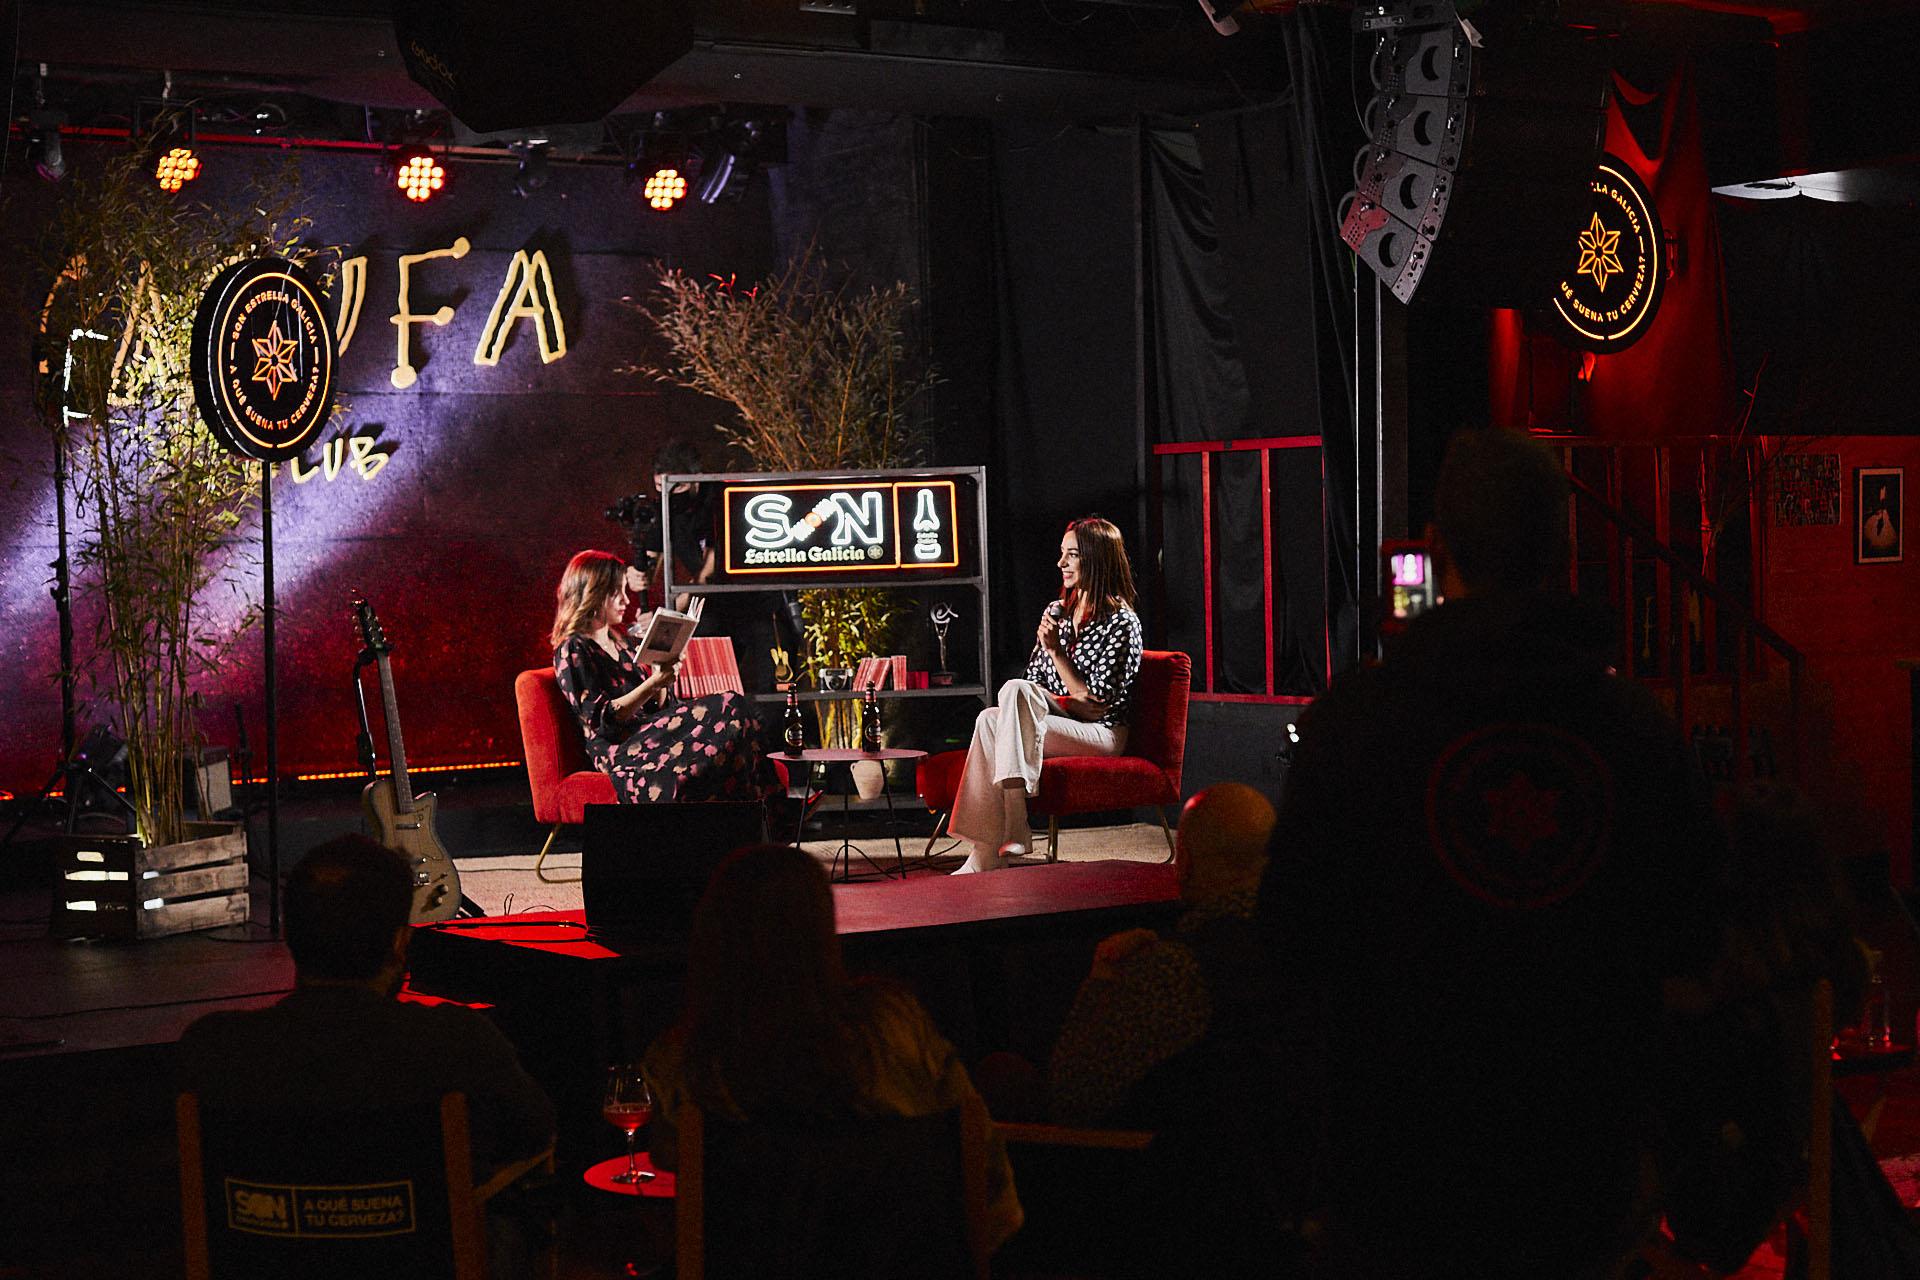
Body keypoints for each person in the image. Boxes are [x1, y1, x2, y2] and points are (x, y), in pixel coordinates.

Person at [1257, 427, 1736, 1279]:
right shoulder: (1638, 736)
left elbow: (1289, 953)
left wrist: (1302, 1171)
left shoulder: (1357, 727)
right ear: (1559, 550)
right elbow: (1696, 953)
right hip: (1582, 1184)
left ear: (1438, 550)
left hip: (1395, 1188)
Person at [643, 843, 1023, 1252]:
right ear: (823, 929)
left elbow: (667, 1217)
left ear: (711, 933)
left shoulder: (682, 1063)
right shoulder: (896, 1027)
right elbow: (994, 1199)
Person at [177, 834, 555, 1178]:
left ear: (290, 935)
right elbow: (535, 1131)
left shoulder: (214, 1049)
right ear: (398, 943)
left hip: (264, 1253)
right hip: (424, 1254)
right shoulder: (456, 1042)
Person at [1048, 781, 1277, 1126]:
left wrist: (1099, 985)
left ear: (1182, 863)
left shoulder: (1171, 971)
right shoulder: (1318, 953)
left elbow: (1073, 1096)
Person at [948, 517, 1144, 873]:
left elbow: (1094, 706)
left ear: (1096, 561)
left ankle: (1014, 825)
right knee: (991, 717)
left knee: (1012, 696)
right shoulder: (1057, 612)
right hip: (1057, 721)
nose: (1061, 564)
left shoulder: (1123, 623)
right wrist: (1050, 694)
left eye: (1072, 556)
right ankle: (986, 852)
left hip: (1100, 733)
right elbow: (1032, 687)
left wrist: (1056, 653)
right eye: (1061, 554)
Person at [550, 549, 780, 805]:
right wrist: (653, 682)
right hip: (622, 747)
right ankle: (777, 813)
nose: (626, 601)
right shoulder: (574, 649)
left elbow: (658, 707)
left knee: (742, 721)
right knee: (730, 704)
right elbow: (603, 720)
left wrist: (662, 674)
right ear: (593, 594)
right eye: (617, 592)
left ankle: (761, 819)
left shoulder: (622, 642)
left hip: (652, 733)